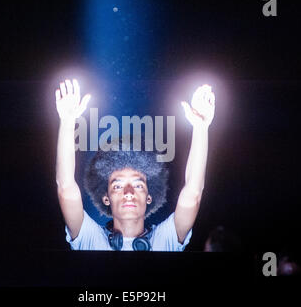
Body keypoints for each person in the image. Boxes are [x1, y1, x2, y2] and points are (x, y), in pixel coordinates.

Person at [54, 79, 215, 251]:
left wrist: (201, 127)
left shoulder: (166, 239)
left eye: (138, 185)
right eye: (118, 185)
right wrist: (67, 121)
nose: (129, 193)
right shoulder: (90, 239)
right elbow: (65, 188)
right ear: (106, 198)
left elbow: (193, 193)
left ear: (149, 196)